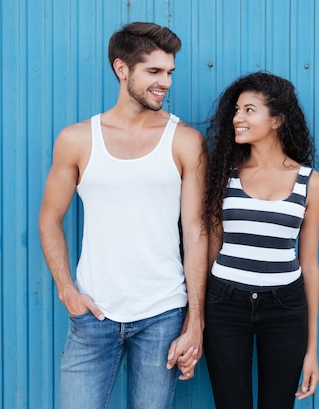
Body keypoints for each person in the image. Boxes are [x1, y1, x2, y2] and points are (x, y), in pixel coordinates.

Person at [38, 22, 207, 409]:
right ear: (122, 69)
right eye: (154, 71)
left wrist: (195, 319)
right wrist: (67, 289)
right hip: (93, 314)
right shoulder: (76, 139)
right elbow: (50, 217)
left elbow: (196, 231)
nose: (165, 82)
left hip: (162, 315)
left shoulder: (185, 141)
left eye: (169, 73)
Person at [202, 72, 319, 409]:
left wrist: (311, 350)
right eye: (237, 110)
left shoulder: (309, 183)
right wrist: (195, 317)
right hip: (224, 304)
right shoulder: (222, 176)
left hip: (285, 307)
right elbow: (211, 249)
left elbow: (309, 265)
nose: (237, 118)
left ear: (276, 121)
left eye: (249, 110)